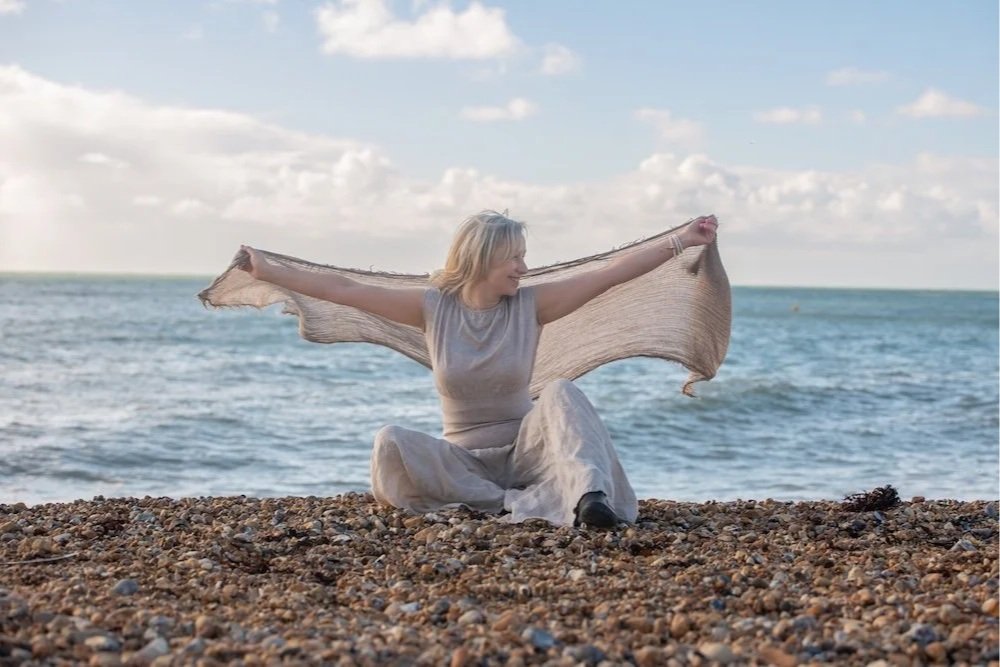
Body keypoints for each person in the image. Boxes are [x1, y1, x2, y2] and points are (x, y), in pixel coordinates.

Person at [238, 211, 719, 528]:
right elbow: (342, 288)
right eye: (515, 258)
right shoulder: (431, 307)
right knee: (391, 442)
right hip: (464, 463)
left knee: (560, 392)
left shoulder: (531, 304)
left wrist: (683, 239)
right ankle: (517, 502)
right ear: (485, 258)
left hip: (526, 452)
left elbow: (608, 273)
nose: (524, 268)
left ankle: (589, 498)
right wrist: (269, 271)